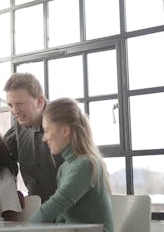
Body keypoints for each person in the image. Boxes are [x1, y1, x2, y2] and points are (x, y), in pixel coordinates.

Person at [29, 98, 113, 232]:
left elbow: (55, 205)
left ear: (65, 131)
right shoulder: (64, 168)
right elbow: (62, 217)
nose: (44, 138)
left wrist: (22, 229)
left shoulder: (86, 164)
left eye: (47, 130)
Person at [3, 72, 62, 202]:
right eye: (10, 105)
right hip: (38, 211)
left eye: (19, 104)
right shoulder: (19, 126)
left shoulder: (65, 122)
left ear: (39, 101)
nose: (15, 111)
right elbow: (1, 158)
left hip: (72, 212)